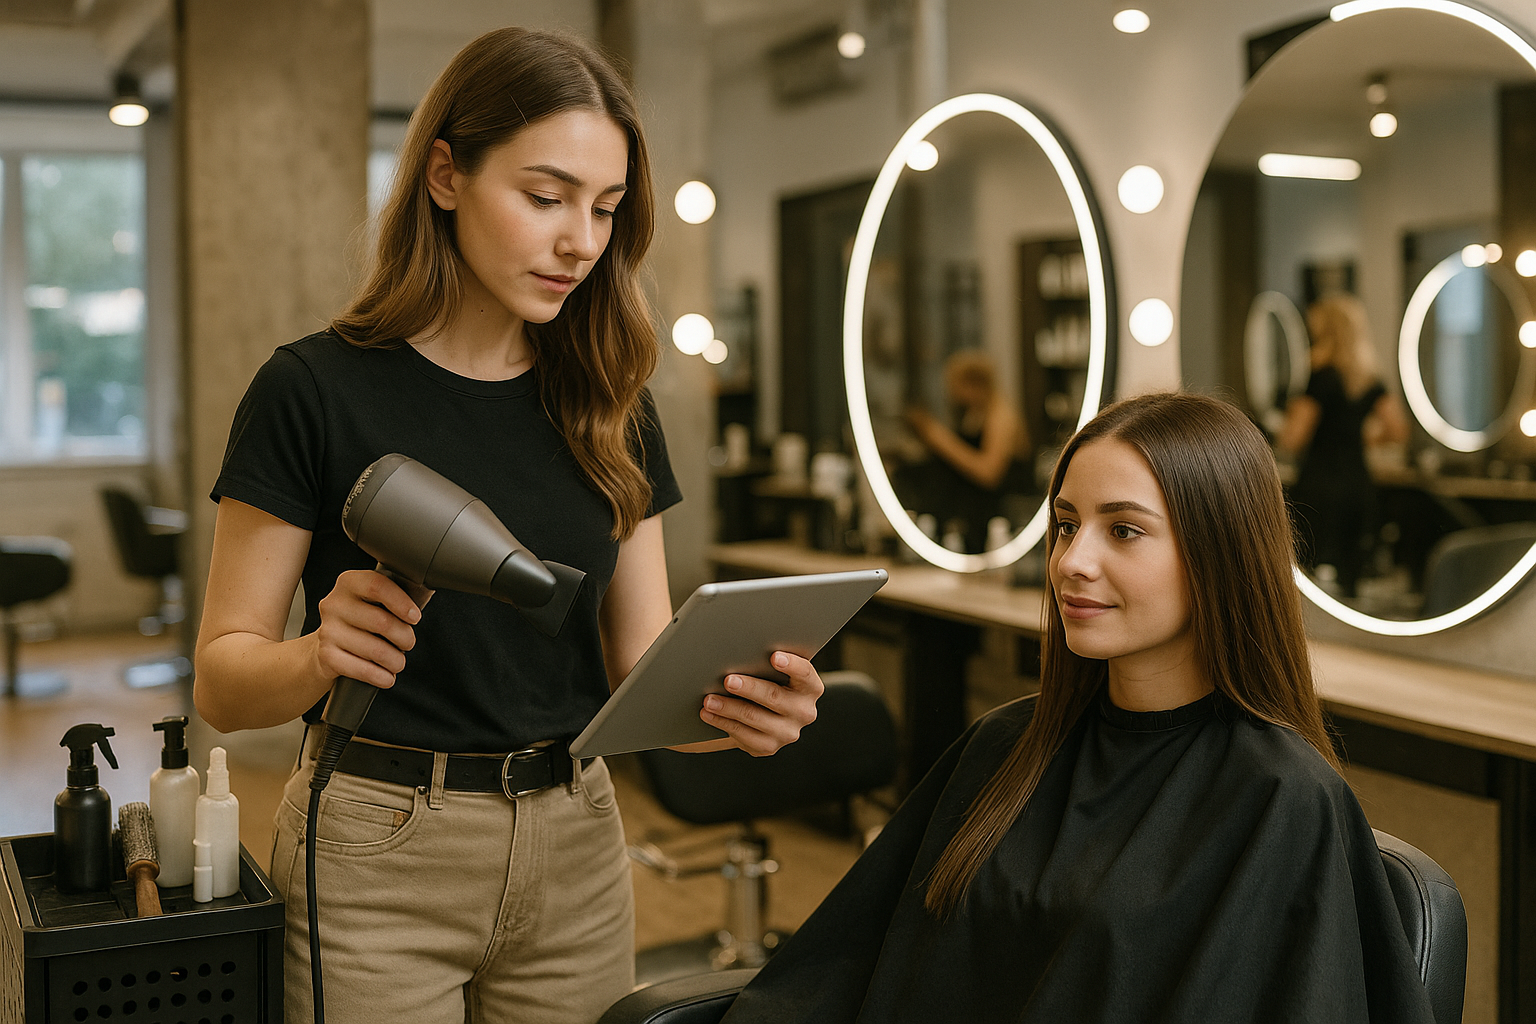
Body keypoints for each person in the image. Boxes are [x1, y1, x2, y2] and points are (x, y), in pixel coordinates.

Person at [192, 28, 825, 1024]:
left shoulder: (612, 399)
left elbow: (639, 673)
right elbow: (222, 683)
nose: (581, 239)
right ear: (446, 173)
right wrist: (321, 653)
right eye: (546, 197)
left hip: (577, 840)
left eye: (606, 208)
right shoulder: (310, 390)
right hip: (377, 850)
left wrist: (741, 717)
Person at [721, 392, 1436, 1024]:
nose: (1070, 561)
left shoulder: (1280, 798)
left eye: (1122, 530)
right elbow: (842, 970)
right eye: (1067, 524)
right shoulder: (1006, 747)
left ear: (1219, 552)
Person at [1279, 292, 1408, 597]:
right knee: (1351, 578)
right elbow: (1397, 431)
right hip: (1358, 483)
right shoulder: (1370, 380)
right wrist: (1355, 435)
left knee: (1311, 574)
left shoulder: (1320, 377)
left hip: (1320, 485)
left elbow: (1293, 437)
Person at [903, 349, 1030, 551]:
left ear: (974, 384)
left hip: (997, 516)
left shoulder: (1001, 418)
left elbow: (989, 473)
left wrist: (939, 439)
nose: (949, 391)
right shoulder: (973, 415)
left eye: (954, 384)